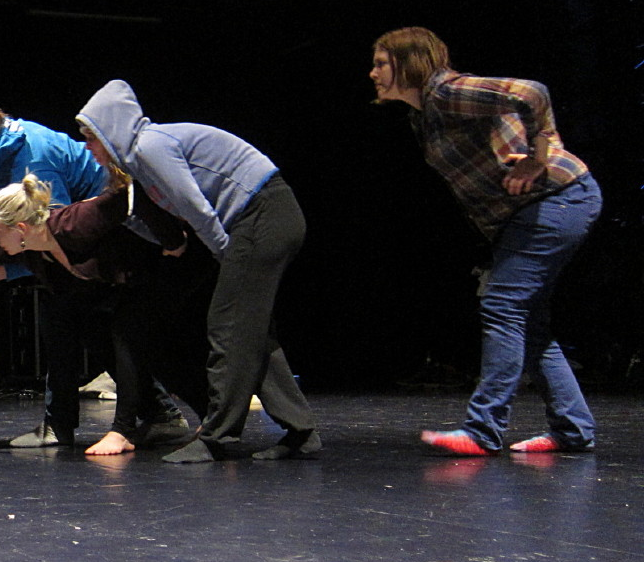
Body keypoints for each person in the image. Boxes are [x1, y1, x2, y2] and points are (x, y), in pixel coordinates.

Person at [370, 27, 603, 455]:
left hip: (556, 198)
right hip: (526, 215)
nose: (373, 73)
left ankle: (483, 429)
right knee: (529, 323)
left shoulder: (449, 92)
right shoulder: (423, 115)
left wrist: (538, 156)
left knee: (503, 306)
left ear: (409, 63)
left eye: (381, 63)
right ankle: (573, 429)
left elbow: (532, 93)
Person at [76, 79, 320, 462]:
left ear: (111, 130)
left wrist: (224, 253)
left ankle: (218, 436)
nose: (88, 147)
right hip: (261, 217)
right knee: (249, 330)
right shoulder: (140, 162)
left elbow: (196, 208)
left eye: (91, 137)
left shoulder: (150, 146)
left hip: (263, 212)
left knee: (228, 325)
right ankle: (300, 432)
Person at [0, 173, 199, 455]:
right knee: (140, 350)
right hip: (129, 290)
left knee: (133, 343)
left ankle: (124, 430)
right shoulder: (31, 248)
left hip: (167, 272)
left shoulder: (73, 221)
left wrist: (174, 239)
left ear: (20, 229)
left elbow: (127, 194)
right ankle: (200, 419)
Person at [0, 95, 106, 446]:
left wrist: (3, 272)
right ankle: (156, 413)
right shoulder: (7, 148)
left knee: (67, 320)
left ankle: (61, 426)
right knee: (88, 327)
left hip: (100, 237)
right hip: (81, 240)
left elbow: (49, 231)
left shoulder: (31, 158)